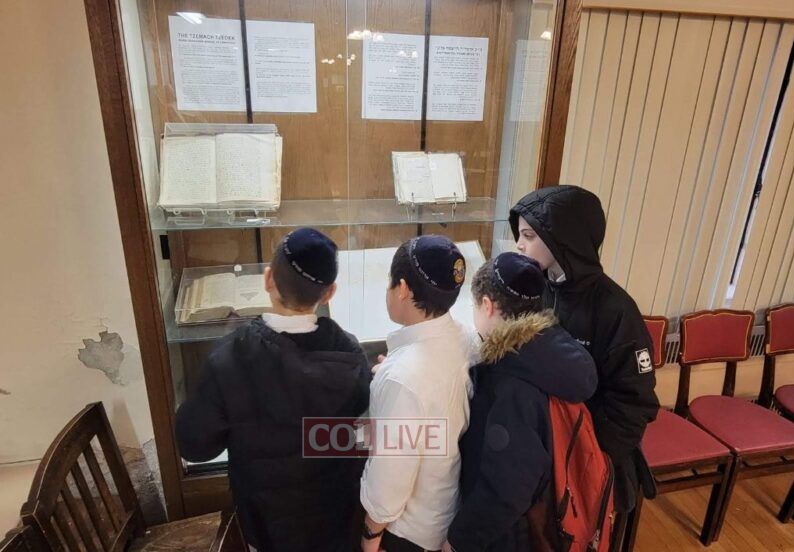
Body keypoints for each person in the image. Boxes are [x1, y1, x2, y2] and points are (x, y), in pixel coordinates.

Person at [175, 228, 370, 552]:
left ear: (268, 280)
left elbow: (194, 447)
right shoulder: (350, 354)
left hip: (264, 524)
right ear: (329, 293)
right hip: (334, 519)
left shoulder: (231, 356)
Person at [509, 185, 660, 520]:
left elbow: (635, 404)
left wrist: (587, 453)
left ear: (564, 239)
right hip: (540, 447)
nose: (519, 244)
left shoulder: (615, 310)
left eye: (529, 235)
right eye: (519, 234)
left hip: (586, 455)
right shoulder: (536, 289)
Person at [445, 253, 598, 552]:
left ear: (487, 305)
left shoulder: (512, 383)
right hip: (534, 514)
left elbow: (507, 488)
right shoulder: (548, 350)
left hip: (510, 535)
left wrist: (458, 539)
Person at [361, 235, 474, 552]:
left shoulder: (403, 379)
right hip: (442, 510)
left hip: (407, 533)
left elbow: (390, 480)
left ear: (403, 289)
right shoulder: (465, 338)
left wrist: (370, 536)